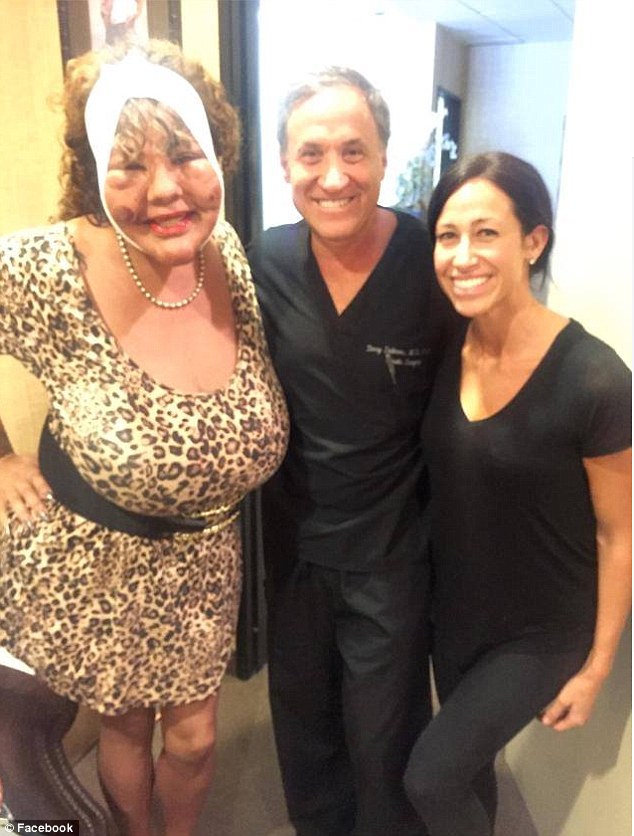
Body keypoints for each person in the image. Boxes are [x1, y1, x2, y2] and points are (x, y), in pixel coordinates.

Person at [0, 39, 288, 836]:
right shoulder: (47, 265)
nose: (164, 188)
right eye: (127, 165)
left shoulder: (226, 252)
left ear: (218, 155)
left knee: (194, 740)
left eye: (186, 155)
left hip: (207, 560)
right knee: (126, 731)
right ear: (94, 171)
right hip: (103, 562)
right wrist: (0, 458)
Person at [249, 67, 456, 836]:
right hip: (294, 554)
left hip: (391, 558)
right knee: (304, 735)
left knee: (383, 744)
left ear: (384, 155)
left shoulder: (433, 262)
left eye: (353, 151)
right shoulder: (264, 261)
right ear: (285, 165)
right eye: (311, 154)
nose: (333, 176)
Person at [403, 151, 632, 836]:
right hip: (457, 615)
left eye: (486, 233)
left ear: (533, 241)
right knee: (470, 773)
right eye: (447, 236)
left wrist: (596, 668)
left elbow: (619, 532)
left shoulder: (595, 378)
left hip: (542, 632)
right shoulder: (446, 347)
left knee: (430, 777)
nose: (462, 256)